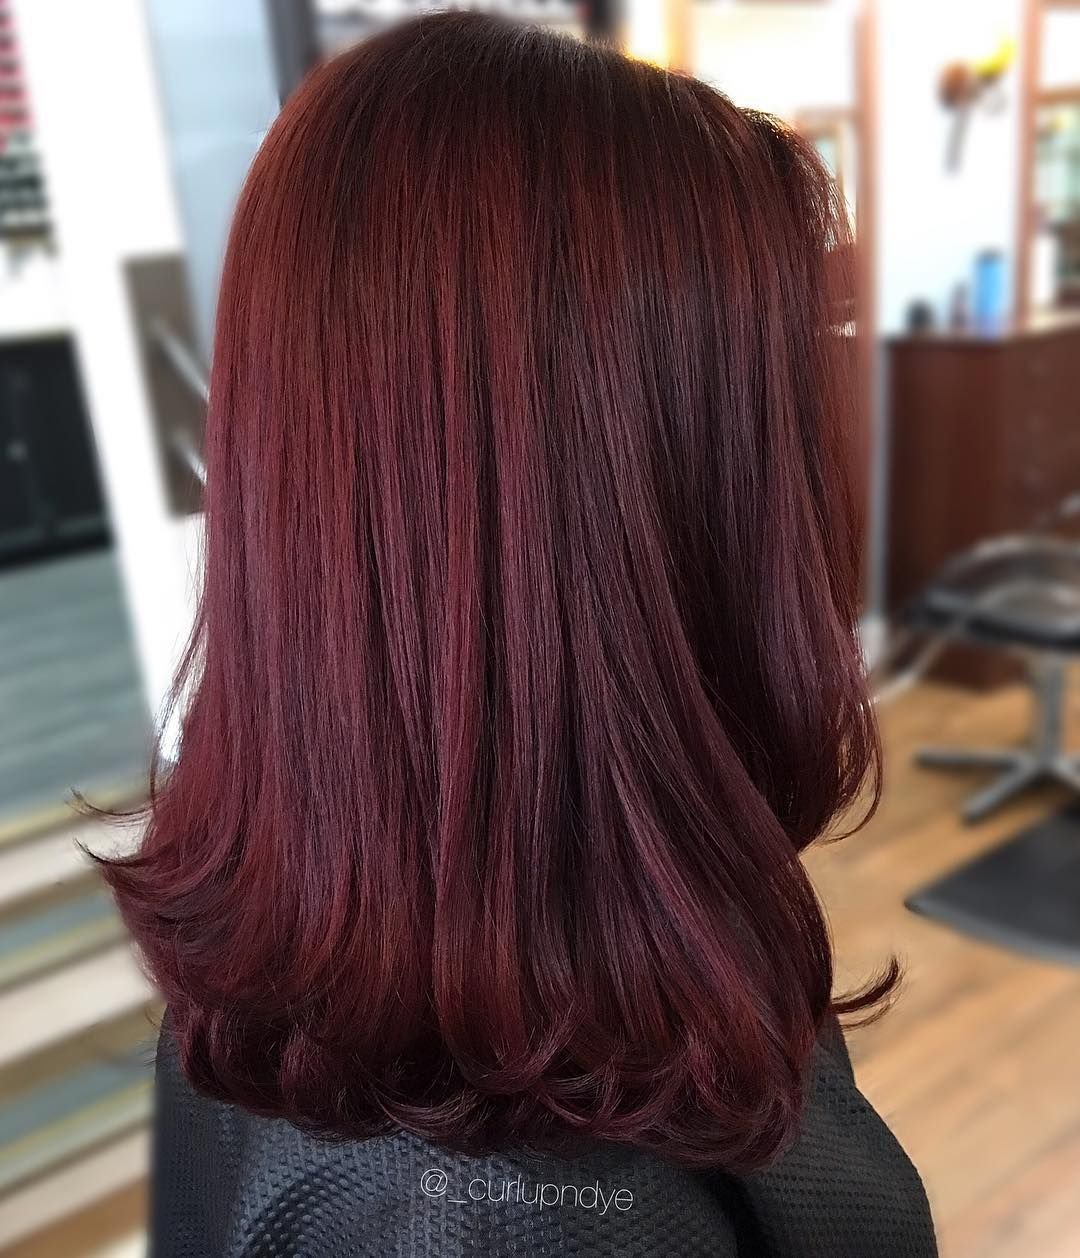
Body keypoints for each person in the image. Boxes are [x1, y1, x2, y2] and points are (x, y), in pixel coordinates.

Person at [101, 13, 936, 1256]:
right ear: (655, 479)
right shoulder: (508, 1228)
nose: (833, 419)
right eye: (801, 363)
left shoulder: (320, 898)